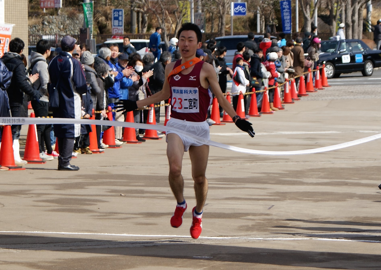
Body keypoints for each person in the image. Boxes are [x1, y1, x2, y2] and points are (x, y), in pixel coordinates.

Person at [116, 23, 254, 239]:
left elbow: (219, 96)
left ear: (198, 44)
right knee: (174, 168)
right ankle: (180, 203)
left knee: (199, 178)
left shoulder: (206, 69)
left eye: (190, 40)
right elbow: (163, 95)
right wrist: (136, 104)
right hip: (177, 125)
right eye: (182, 39)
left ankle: (198, 213)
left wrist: (238, 119)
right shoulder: (172, 68)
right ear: (177, 42)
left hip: (199, 128)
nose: (185, 43)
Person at [48, 35, 88, 171]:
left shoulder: (53, 60)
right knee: (71, 129)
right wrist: (85, 88)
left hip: (56, 98)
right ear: (72, 47)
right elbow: (80, 84)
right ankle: (65, 161)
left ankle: (62, 160)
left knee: (60, 128)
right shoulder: (73, 62)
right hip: (71, 99)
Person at [1, 37, 41, 166]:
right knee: (16, 128)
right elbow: (21, 82)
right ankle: (14, 156)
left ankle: (5, 154)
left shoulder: (2, 60)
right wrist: (34, 93)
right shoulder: (18, 63)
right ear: (21, 50)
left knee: (3, 127)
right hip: (16, 98)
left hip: (3, 97)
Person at [98, 46, 132, 145]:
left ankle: (111, 137)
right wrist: (121, 74)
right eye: (112, 51)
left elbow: (115, 75)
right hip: (111, 93)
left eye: (116, 51)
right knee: (108, 116)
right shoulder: (104, 64)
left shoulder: (111, 64)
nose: (113, 53)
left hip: (115, 93)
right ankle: (104, 138)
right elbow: (112, 77)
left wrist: (119, 74)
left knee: (112, 116)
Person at [29, 39, 55, 161]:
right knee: (41, 126)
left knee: (46, 125)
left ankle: (48, 150)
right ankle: (40, 150)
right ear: (47, 51)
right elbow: (45, 83)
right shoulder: (42, 64)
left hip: (38, 97)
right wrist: (47, 94)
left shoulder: (34, 61)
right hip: (42, 99)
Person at [149, 51, 172, 123]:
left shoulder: (163, 65)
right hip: (156, 90)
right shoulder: (158, 66)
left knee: (166, 106)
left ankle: (166, 121)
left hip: (161, 90)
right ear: (167, 60)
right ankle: (155, 122)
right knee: (156, 108)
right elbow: (160, 79)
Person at [215, 46, 233, 115]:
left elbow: (224, 68)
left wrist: (228, 70)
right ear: (223, 52)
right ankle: (217, 111)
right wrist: (227, 69)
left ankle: (221, 110)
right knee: (219, 95)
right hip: (219, 79)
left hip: (224, 78)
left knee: (223, 95)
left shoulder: (223, 60)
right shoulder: (217, 60)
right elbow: (220, 69)